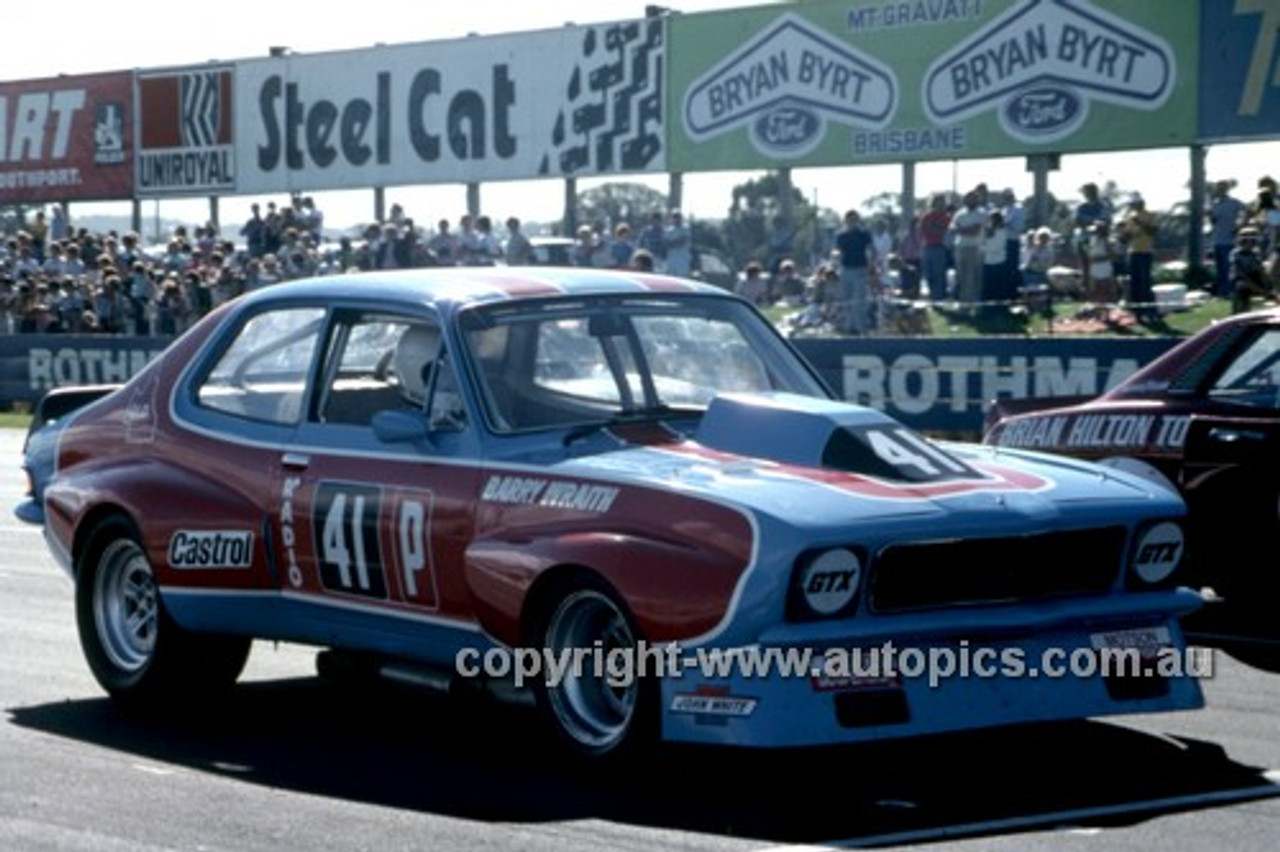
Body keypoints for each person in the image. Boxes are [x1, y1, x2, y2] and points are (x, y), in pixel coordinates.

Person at [1118, 193, 1158, 320]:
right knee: (1134, 283)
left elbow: (1153, 232)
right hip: (1133, 252)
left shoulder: (1151, 215)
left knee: (1145, 281)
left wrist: (1139, 222)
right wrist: (1123, 234)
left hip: (1145, 251)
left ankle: (1150, 310)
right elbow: (1127, 237)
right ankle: (1137, 311)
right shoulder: (1129, 217)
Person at [835, 209, 874, 334]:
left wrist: (872, 265)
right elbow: (838, 252)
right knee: (846, 298)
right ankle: (849, 325)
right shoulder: (841, 236)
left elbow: (871, 250)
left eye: (854, 219)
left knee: (859, 298)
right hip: (846, 268)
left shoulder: (864, 234)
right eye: (849, 219)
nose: (852, 222)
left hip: (860, 268)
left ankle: (859, 326)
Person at [1209, 181, 1246, 297]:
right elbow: (1213, 221)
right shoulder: (1214, 204)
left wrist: (1240, 225)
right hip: (1217, 240)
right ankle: (1222, 292)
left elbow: (1248, 210)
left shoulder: (1233, 203)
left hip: (1229, 240)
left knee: (1227, 268)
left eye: (1222, 188)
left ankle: (1229, 290)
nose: (1220, 191)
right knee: (1219, 269)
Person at [919, 194, 951, 301]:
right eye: (937, 201)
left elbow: (944, 231)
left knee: (939, 274)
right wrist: (936, 229)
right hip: (927, 247)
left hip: (940, 248)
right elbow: (924, 230)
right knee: (928, 274)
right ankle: (932, 296)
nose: (940, 204)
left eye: (942, 201)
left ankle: (938, 298)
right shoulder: (927, 216)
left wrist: (934, 229)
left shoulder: (946, 217)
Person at [663, 211, 692, 277]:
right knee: (671, 277)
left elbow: (683, 241)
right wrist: (674, 243)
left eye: (678, 217)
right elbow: (666, 243)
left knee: (682, 277)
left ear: (681, 218)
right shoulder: (668, 230)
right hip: (671, 259)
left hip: (682, 259)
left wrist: (673, 243)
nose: (676, 219)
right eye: (675, 217)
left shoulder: (686, 229)